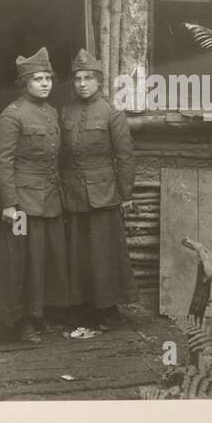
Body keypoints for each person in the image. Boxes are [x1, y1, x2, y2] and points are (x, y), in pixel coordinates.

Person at [0, 47, 68, 344]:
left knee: (43, 258)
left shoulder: (50, 112)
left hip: (49, 199)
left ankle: (37, 313)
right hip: (22, 205)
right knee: (19, 258)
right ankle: (19, 321)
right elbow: (2, 161)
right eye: (38, 79)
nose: (45, 83)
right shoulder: (12, 116)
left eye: (48, 77)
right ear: (24, 83)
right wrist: (9, 203)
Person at [59, 49, 136, 330]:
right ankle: (81, 307)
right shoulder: (66, 111)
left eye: (88, 78)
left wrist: (125, 194)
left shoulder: (112, 113)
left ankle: (108, 310)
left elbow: (125, 156)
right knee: (78, 253)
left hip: (104, 194)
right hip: (73, 194)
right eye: (77, 78)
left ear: (99, 81)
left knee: (104, 252)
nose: (82, 84)